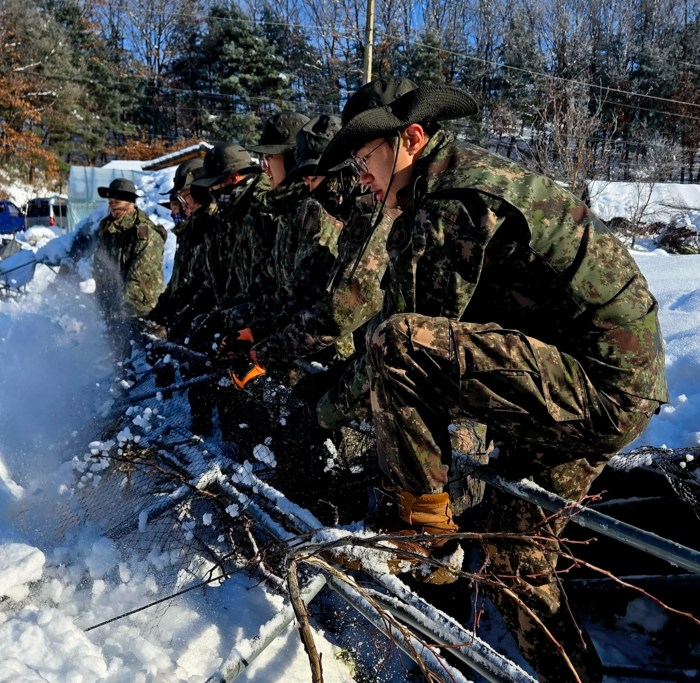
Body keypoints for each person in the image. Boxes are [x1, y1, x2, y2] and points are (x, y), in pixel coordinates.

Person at [314, 77, 669, 683]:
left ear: (411, 140)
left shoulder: (450, 202)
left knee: (395, 342)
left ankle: (423, 528)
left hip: (594, 386)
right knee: (514, 558)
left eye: (367, 157)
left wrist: (323, 410)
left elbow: (402, 347)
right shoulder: (448, 187)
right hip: (593, 387)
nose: (363, 176)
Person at [93, 178, 166, 359]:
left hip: (143, 314)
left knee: (155, 367)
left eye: (116, 203)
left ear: (130, 203)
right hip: (116, 313)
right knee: (120, 368)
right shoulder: (108, 232)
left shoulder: (144, 234)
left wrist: (119, 312)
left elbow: (139, 279)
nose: (112, 207)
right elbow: (100, 271)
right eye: (110, 203)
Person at [149, 158, 206, 333]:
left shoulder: (205, 228)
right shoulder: (187, 232)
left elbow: (201, 283)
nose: (180, 209)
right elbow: (180, 281)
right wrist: (163, 309)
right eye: (175, 205)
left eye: (182, 200)